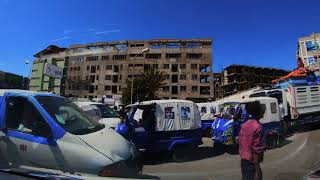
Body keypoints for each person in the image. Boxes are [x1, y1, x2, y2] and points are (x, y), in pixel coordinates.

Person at [239, 101, 266, 180]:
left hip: (244, 162)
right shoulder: (258, 127)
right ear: (258, 112)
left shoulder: (245, 125)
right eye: (262, 111)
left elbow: (241, 143)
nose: (263, 112)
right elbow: (256, 151)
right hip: (252, 164)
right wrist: (257, 170)